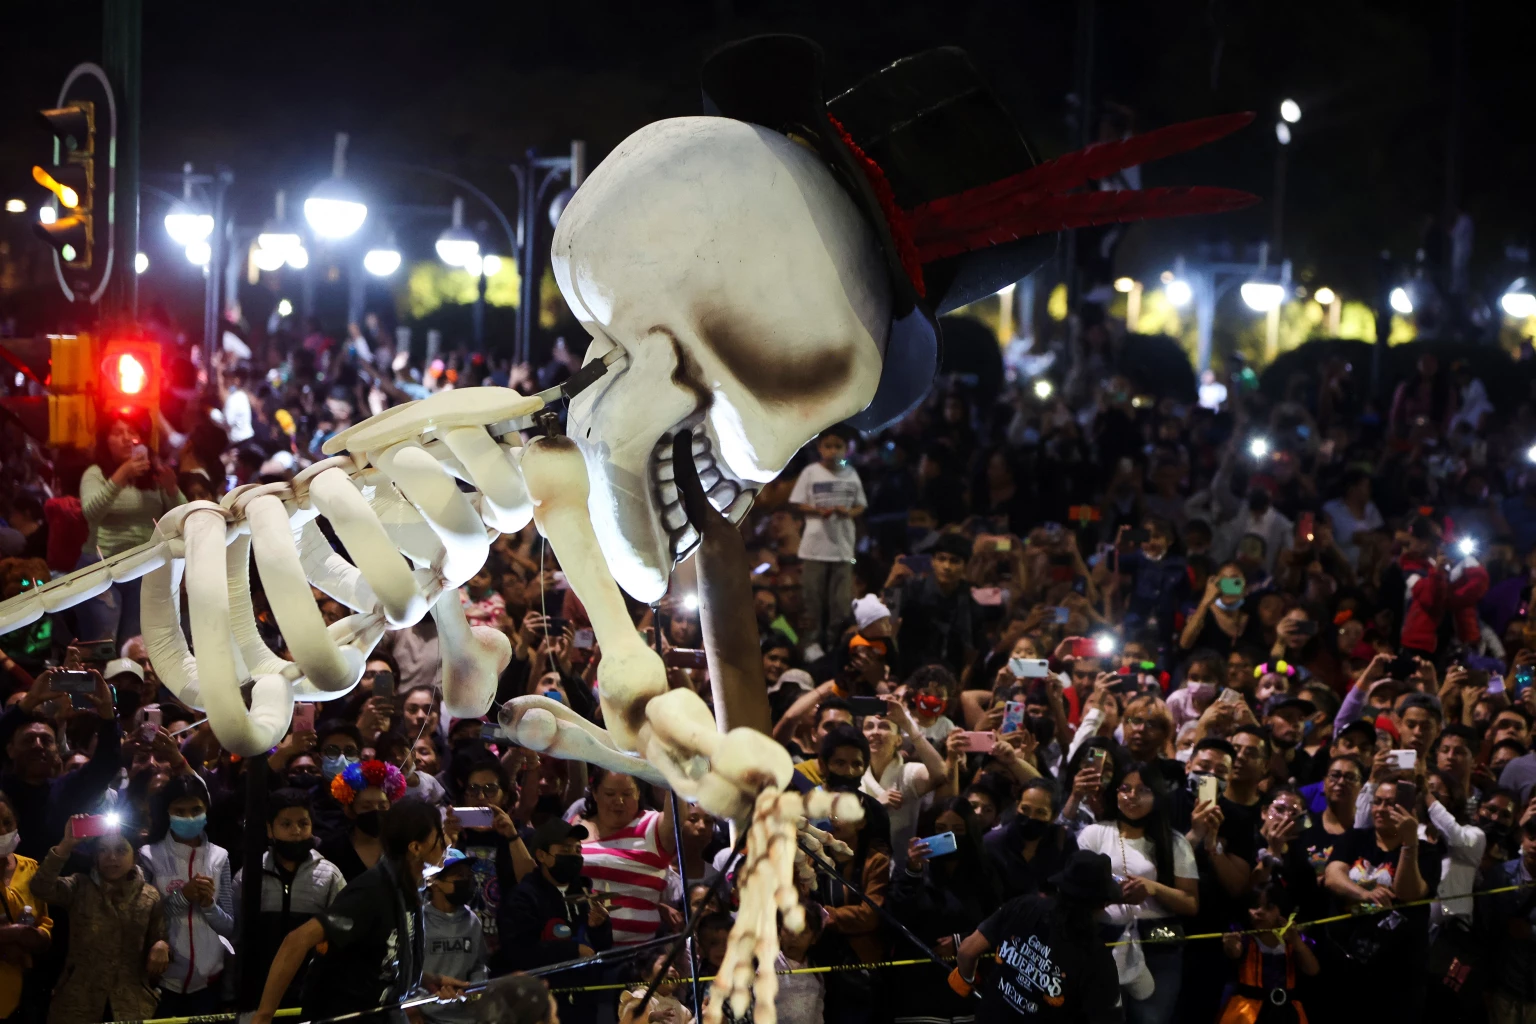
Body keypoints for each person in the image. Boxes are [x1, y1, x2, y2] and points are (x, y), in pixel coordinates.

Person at [251, 799, 458, 1024]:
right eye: (440, 836)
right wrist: (264, 1015)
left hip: (382, 1012)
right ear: (416, 847)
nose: (447, 843)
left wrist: (426, 980)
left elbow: (381, 960)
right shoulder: (372, 890)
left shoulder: (406, 888)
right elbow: (297, 940)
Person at [1077, 764, 1199, 1024]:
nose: (1132, 796)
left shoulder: (1174, 842)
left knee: (1151, 1019)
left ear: (1157, 796)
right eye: (1125, 788)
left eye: (1143, 790)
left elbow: (1190, 903)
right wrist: (1110, 893)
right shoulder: (1095, 833)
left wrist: (1152, 888)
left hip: (1157, 944)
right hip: (1103, 940)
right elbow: (1075, 889)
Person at [953, 849, 1123, 1022]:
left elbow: (967, 951)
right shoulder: (1097, 958)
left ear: (1060, 887)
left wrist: (967, 979)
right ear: (1104, 904)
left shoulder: (1023, 905)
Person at [1320, 779, 1441, 1020]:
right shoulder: (1355, 839)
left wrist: (1409, 843)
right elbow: (1332, 877)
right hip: (1346, 963)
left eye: (1391, 804)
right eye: (1377, 802)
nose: (1381, 809)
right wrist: (1364, 894)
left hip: (1398, 973)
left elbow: (1409, 893)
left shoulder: (1427, 852)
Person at [32, 816, 169, 1024]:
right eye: (103, 850)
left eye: (121, 850)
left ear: (135, 857)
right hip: (77, 1003)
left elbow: (159, 937)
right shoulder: (80, 886)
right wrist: (66, 845)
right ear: (95, 856)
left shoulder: (150, 896)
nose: (111, 857)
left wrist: (161, 945)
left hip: (131, 1005)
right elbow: (40, 888)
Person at [889, 797, 1006, 1024]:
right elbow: (896, 916)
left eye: (958, 830)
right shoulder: (912, 870)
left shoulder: (986, 872)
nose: (950, 837)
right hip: (918, 986)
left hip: (967, 985)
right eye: (940, 829)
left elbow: (997, 922)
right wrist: (912, 872)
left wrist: (963, 941)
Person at [74, 414, 184, 645]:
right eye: (117, 433)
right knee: (104, 640)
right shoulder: (95, 474)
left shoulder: (152, 476)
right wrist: (121, 475)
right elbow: (91, 512)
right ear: (106, 441)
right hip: (102, 567)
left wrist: (172, 489)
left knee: (135, 642)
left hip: (143, 568)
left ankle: (132, 680)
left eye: (132, 432)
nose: (126, 439)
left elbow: (182, 515)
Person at [233, 788, 347, 1008]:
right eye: (286, 824)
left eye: (303, 824)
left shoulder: (329, 875)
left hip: (311, 991)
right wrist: (231, 992)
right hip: (258, 989)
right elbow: (236, 937)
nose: (296, 831)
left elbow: (340, 936)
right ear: (270, 829)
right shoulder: (250, 875)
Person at [137, 773, 235, 1016]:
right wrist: (183, 896)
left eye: (196, 809)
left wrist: (209, 905)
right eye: (179, 811)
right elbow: (142, 918)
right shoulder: (149, 856)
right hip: (162, 978)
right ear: (167, 813)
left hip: (208, 981)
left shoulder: (220, 857)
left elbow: (229, 927)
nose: (189, 817)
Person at [0, 667, 122, 858]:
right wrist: (30, 701)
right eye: (28, 739)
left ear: (57, 751)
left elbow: (106, 764)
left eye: (46, 740)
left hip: (57, 885)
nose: (38, 746)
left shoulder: (66, 789)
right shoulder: (3, 790)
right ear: (10, 750)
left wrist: (107, 714)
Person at [571, 769, 676, 947]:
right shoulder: (575, 824)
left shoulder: (653, 825)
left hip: (637, 957)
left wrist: (672, 769)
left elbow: (678, 812)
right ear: (595, 793)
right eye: (610, 794)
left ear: (638, 794)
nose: (619, 801)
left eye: (627, 794)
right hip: (581, 950)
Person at [790, 429, 867, 656]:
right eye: (828, 446)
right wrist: (816, 510)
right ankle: (812, 646)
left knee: (840, 602)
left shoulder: (851, 473)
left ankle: (836, 645)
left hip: (842, 548)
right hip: (814, 548)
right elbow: (796, 502)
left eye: (838, 446)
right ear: (820, 448)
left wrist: (848, 512)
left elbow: (861, 505)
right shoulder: (811, 472)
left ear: (845, 449)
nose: (833, 451)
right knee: (812, 600)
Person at [1217, 880, 1318, 1024]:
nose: (1259, 912)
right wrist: (1231, 947)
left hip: (1287, 1013)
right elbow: (1234, 953)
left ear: (1281, 909)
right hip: (1246, 1013)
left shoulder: (1294, 940)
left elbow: (1312, 970)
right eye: (1254, 906)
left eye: (1269, 907)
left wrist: (1296, 942)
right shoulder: (1243, 937)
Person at [418, 849, 490, 1024]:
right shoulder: (418, 922)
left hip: (466, 1016)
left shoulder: (472, 920)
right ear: (434, 882)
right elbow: (409, 974)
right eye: (458, 876)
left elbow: (479, 964)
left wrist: (475, 988)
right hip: (426, 1017)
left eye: (468, 875)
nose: (466, 881)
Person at [0, 791, 51, 1022]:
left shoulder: (31, 869)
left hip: (23, 996)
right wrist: (12, 934)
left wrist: (39, 936)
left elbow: (44, 921)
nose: (2, 831)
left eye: (7, 822)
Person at [984, 779, 1078, 899]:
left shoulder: (1063, 839)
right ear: (1017, 806)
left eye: (1040, 812)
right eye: (1025, 809)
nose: (1031, 817)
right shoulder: (992, 844)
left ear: (1053, 816)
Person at [320, 758, 406, 881]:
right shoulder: (332, 848)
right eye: (366, 806)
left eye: (382, 806)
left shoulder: (401, 846)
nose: (375, 811)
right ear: (349, 810)